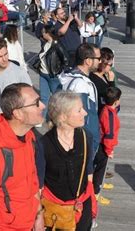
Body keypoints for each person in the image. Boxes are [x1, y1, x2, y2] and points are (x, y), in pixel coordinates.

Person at [0, 83, 45, 231]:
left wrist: (39, 213)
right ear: (17, 113)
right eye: (36, 103)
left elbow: (32, 180)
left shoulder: (28, 136)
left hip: (28, 221)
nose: (42, 106)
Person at [40, 91, 95, 230]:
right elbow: (39, 183)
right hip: (55, 213)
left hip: (82, 208)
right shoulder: (43, 144)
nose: (85, 113)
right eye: (79, 110)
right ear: (63, 116)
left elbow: (88, 170)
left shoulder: (85, 136)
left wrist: (91, 200)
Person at [59, 43, 101, 160]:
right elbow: (83, 117)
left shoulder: (68, 77)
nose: (100, 61)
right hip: (84, 140)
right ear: (88, 61)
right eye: (98, 58)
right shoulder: (80, 84)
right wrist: (93, 138)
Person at [0, 37, 32, 123]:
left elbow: (30, 98)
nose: (4, 59)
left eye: (6, 54)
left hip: (13, 123)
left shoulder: (19, 71)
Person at [92, 87, 122, 206]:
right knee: (100, 171)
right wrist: (109, 150)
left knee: (99, 169)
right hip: (103, 146)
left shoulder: (106, 109)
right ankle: (96, 194)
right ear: (116, 101)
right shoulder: (109, 115)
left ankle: (98, 185)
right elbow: (109, 135)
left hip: (101, 144)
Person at [38, 25, 63, 118]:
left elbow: (65, 59)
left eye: (43, 32)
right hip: (43, 74)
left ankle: (61, 116)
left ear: (48, 34)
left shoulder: (57, 44)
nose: (42, 33)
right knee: (44, 97)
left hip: (53, 76)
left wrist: (58, 71)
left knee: (57, 97)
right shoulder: (45, 43)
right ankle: (41, 118)